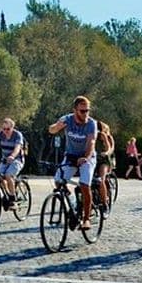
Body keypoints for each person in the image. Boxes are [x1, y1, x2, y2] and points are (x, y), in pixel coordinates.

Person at [48, 96, 97, 230]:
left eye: (87, 110)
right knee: (59, 181)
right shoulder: (67, 119)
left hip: (87, 157)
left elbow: (91, 142)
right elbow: (51, 129)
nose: (86, 114)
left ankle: (86, 219)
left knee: (84, 184)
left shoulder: (91, 123)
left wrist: (86, 157)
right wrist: (57, 127)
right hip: (71, 156)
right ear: (75, 110)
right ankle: (73, 203)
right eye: (82, 111)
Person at [95, 120, 115, 216]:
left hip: (103, 160)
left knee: (101, 179)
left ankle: (104, 203)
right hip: (93, 160)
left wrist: (106, 153)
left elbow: (109, 147)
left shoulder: (102, 135)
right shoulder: (88, 134)